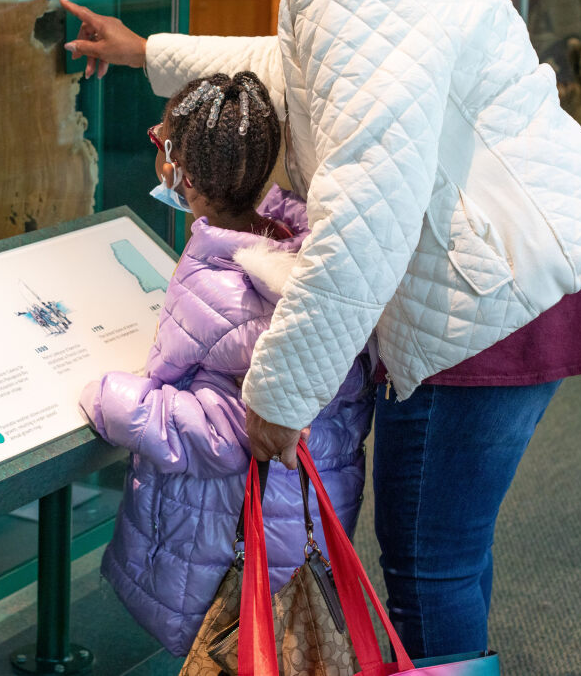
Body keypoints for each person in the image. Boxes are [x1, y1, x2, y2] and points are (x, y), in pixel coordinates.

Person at [63, 0, 581, 660]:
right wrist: (149, 54)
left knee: (429, 561)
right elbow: (298, 68)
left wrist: (280, 395)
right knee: (443, 552)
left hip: (496, 298)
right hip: (518, 266)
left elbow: (363, 208)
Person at [79, 70, 374, 655]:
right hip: (304, 510)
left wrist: (116, 403)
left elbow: (228, 430)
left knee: (240, 650)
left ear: (183, 175)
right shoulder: (308, 251)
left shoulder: (223, 284)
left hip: (240, 531)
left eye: (162, 144)